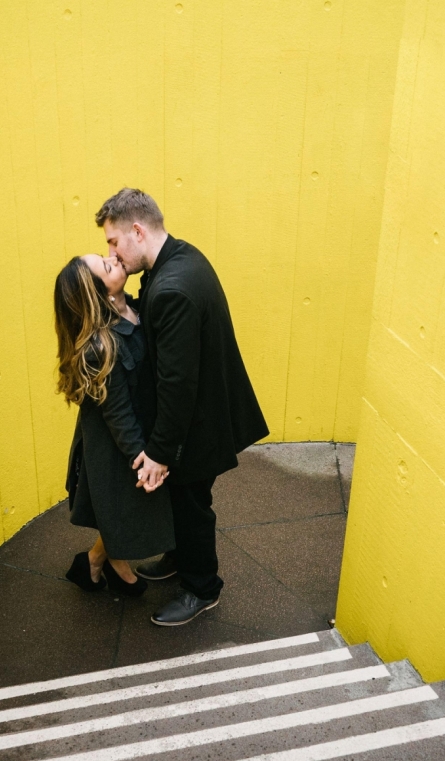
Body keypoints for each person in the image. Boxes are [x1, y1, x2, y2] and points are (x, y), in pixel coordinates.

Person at [95, 188, 269, 626]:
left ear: (137, 230)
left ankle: (201, 588)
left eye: (113, 241)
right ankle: (178, 556)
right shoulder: (179, 258)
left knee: (191, 506)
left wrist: (158, 453)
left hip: (197, 424)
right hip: (205, 412)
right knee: (184, 502)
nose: (111, 252)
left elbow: (176, 384)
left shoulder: (172, 286)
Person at [55, 253, 175, 597]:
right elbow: (118, 413)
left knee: (123, 509)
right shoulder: (101, 345)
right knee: (124, 507)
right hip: (116, 442)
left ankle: (95, 561)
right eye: (107, 267)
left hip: (136, 429)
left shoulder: (138, 307)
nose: (114, 259)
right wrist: (143, 460)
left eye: (106, 257)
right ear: (101, 296)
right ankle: (103, 562)